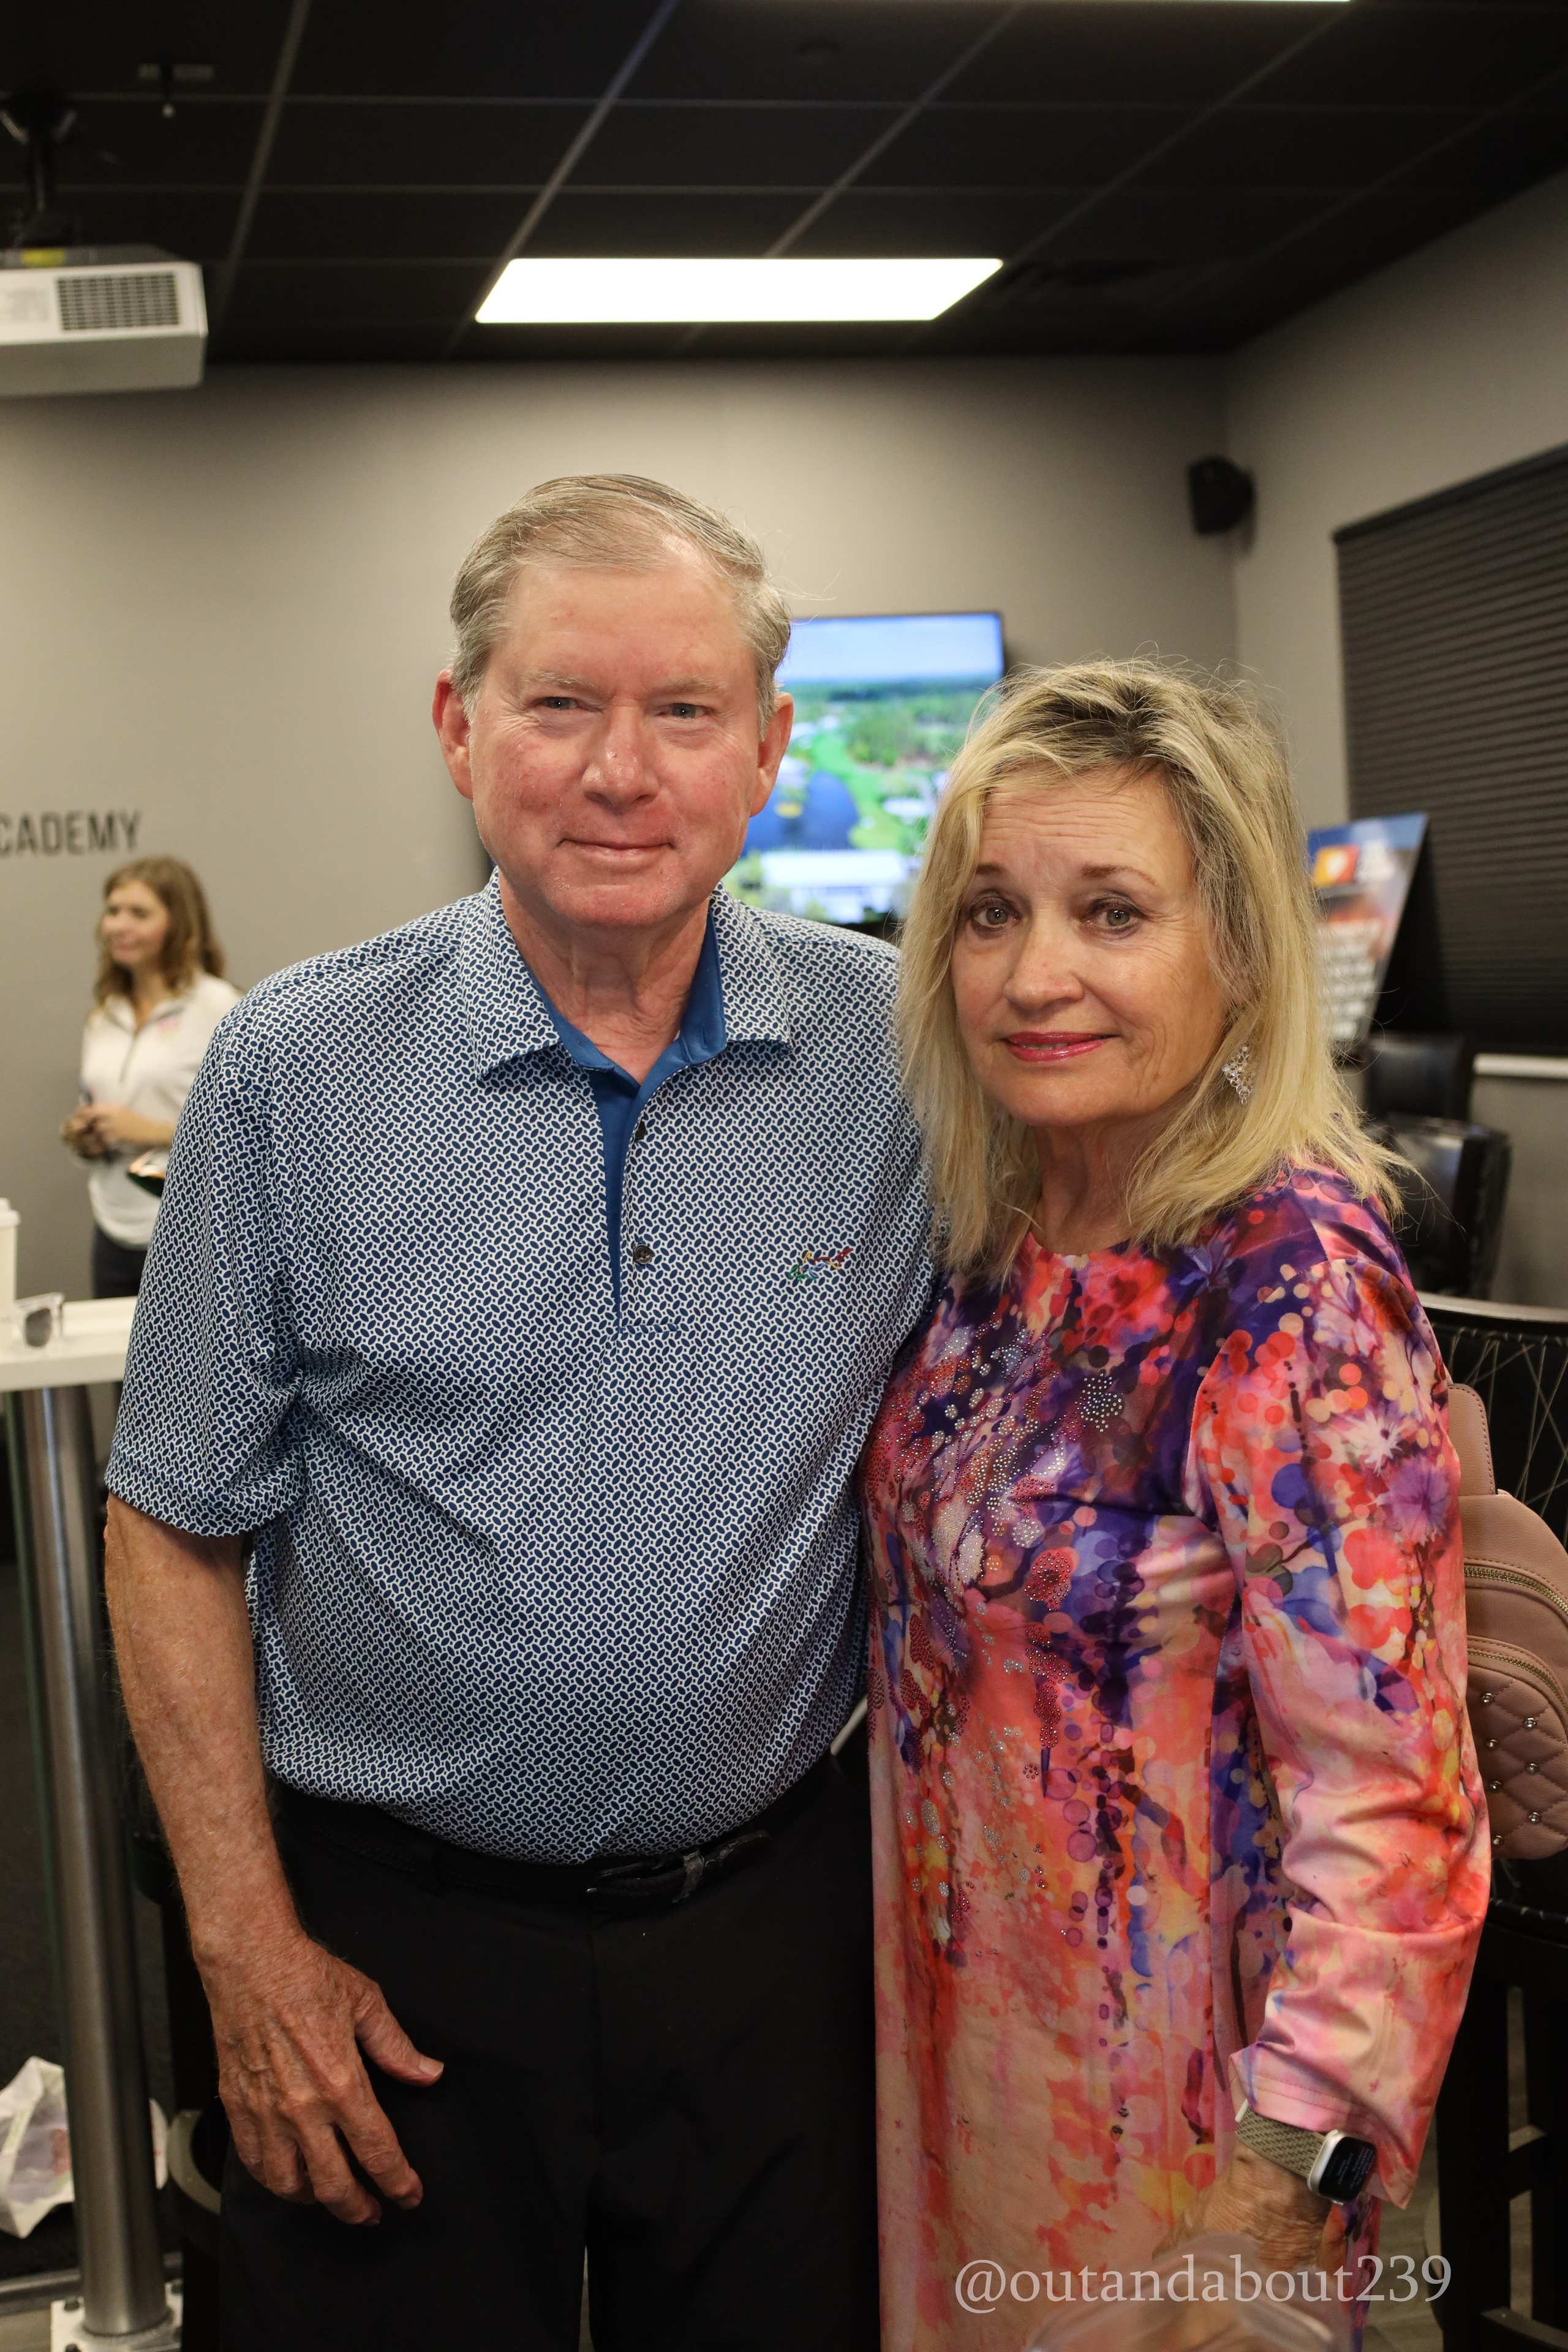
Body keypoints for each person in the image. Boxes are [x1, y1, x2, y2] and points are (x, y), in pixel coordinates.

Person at [102, 475, 932, 2351]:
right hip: (388, 1945)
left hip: (772, 1940)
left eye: (685, 710)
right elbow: (168, 1519)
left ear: (771, 748)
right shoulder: (296, 1068)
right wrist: (243, 1953)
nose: (619, 770)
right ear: (458, 727)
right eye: (559, 703)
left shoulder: (899, 1059)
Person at [860, 659, 1488, 2349]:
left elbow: (1400, 1828)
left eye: (1112, 912)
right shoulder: (993, 1247)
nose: (1037, 973)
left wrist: (1275, 2210)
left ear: (1234, 949)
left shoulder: (1290, 1287)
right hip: (969, 2099)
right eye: (990, 911)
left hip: (1194, 2165)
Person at [62, 858, 237, 1297]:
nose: (118, 925)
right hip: (112, 1228)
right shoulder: (104, 1014)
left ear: (178, 924)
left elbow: (250, 1134)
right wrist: (87, 1136)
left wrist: (155, 1131)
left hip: (193, 1236)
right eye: (113, 910)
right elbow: (97, 1103)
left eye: (139, 914)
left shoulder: (218, 1007)